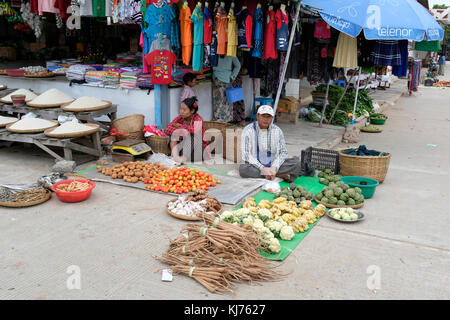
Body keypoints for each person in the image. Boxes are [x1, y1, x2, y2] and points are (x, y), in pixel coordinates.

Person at [239, 105, 303, 182]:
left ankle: (270, 174)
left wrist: (274, 167)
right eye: (263, 116)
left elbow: (283, 152)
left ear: (272, 118)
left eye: (268, 117)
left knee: (297, 164)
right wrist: (263, 168)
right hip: (256, 164)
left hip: (272, 162)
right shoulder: (248, 130)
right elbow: (246, 154)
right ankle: (278, 175)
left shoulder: (277, 130)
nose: (266, 119)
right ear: (258, 116)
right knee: (243, 169)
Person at [165, 97, 208, 163]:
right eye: (181, 109)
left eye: (184, 110)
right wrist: (178, 131)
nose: (181, 111)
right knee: (173, 134)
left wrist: (182, 128)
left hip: (197, 150)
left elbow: (195, 131)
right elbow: (167, 128)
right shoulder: (180, 118)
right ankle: (175, 157)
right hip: (184, 148)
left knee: (193, 136)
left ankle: (183, 158)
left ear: (192, 111)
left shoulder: (198, 119)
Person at [212, 55, 246, 126]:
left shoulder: (215, 51)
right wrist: (233, 76)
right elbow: (238, 65)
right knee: (227, 101)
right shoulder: (231, 52)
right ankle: (226, 121)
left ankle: (219, 121)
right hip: (227, 79)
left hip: (217, 78)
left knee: (218, 101)